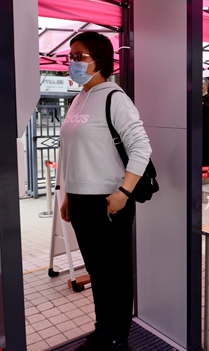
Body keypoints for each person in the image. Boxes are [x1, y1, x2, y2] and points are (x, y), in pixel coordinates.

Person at [57, 32, 152, 351]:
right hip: (80, 200)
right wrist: (68, 194)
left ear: (99, 60)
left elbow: (141, 148)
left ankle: (118, 337)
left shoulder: (115, 98)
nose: (73, 62)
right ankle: (102, 330)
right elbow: (71, 152)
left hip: (110, 200)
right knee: (97, 270)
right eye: (71, 56)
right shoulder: (78, 99)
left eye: (80, 56)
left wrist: (124, 192)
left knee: (116, 272)